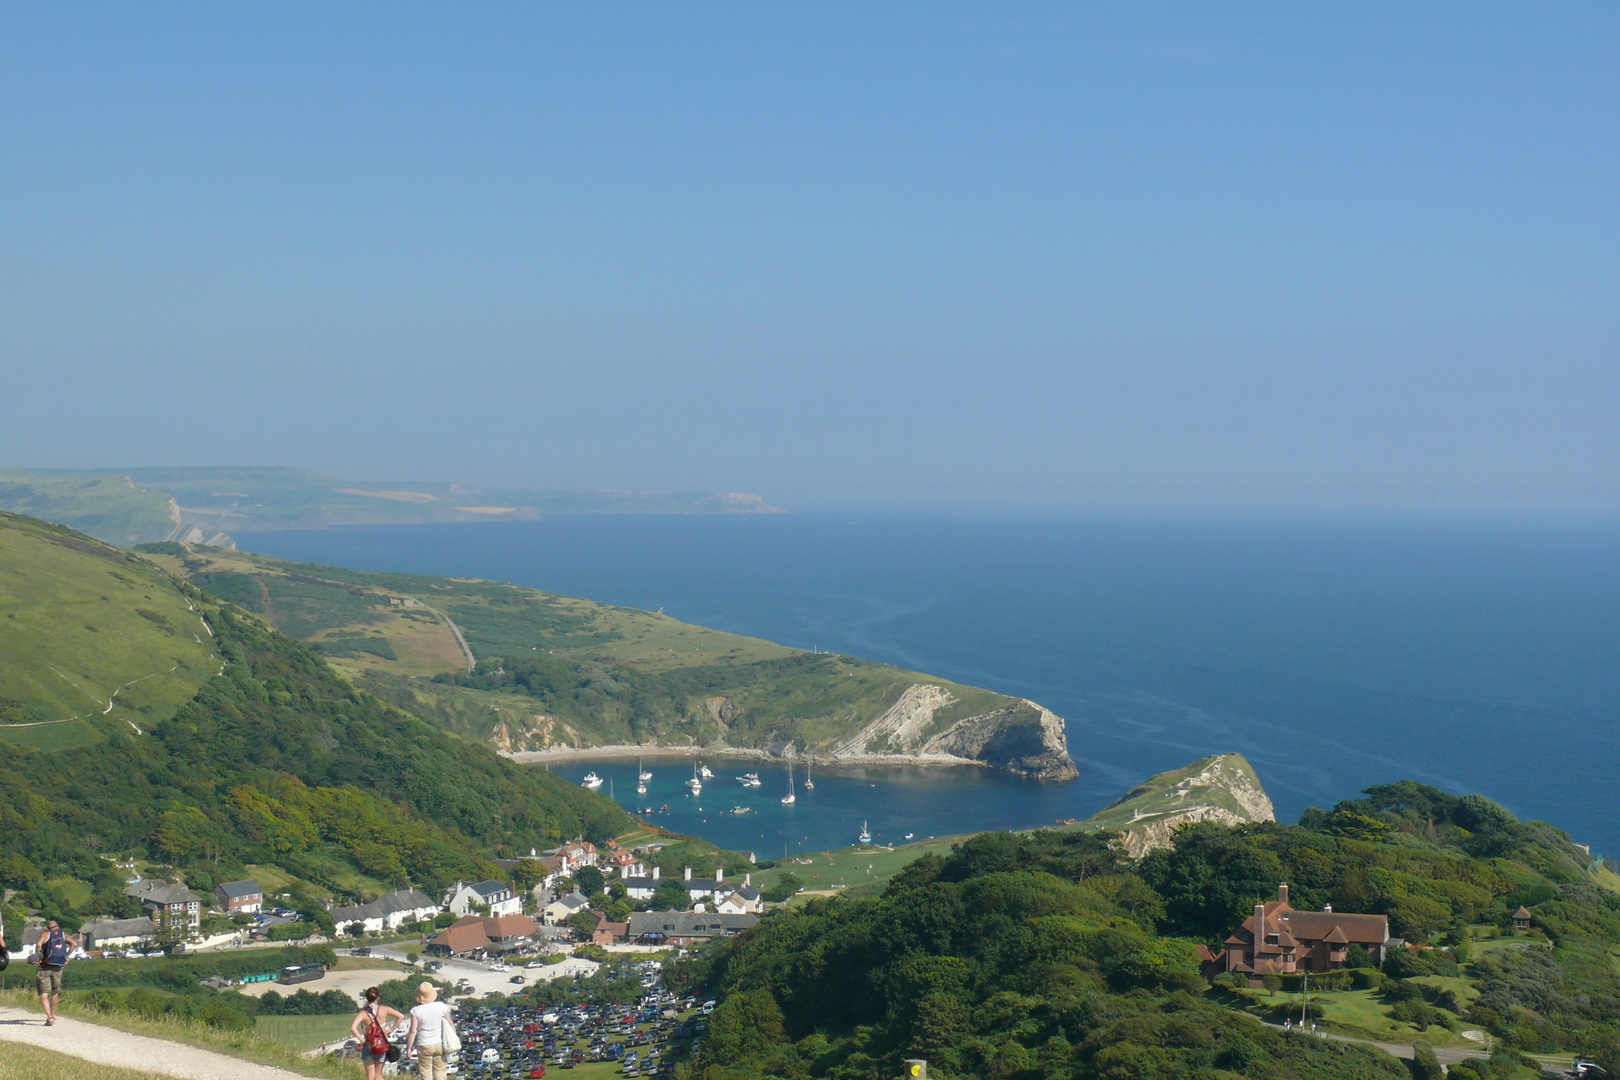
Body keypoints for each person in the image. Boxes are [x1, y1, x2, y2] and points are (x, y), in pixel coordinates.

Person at [349, 986, 405, 1080]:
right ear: (378, 997)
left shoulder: (363, 1013)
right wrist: (391, 1029)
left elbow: (353, 1028)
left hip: (369, 1045)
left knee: (370, 1077)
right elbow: (401, 1016)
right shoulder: (384, 1009)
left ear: (367, 998)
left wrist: (363, 1040)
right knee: (378, 1075)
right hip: (382, 1044)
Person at [405, 981, 456, 1080]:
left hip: (424, 1044)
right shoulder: (441, 1006)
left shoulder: (415, 1010)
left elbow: (413, 1031)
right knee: (440, 1071)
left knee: (425, 1071)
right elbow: (450, 1024)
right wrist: (453, 1038)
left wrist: (409, 1048)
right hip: (439, 1043)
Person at [34, 920, 77, 1026]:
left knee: (44, 993)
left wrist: (37, 956)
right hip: (58, 966)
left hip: (45, 966)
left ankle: (49, 1017)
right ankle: (53, 1014)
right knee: (54, 991)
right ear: (57, 926)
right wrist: (66, 956)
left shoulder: (45, 934)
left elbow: (39, 944)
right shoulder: (63, 934)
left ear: (48, 928)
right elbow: (74, 944)